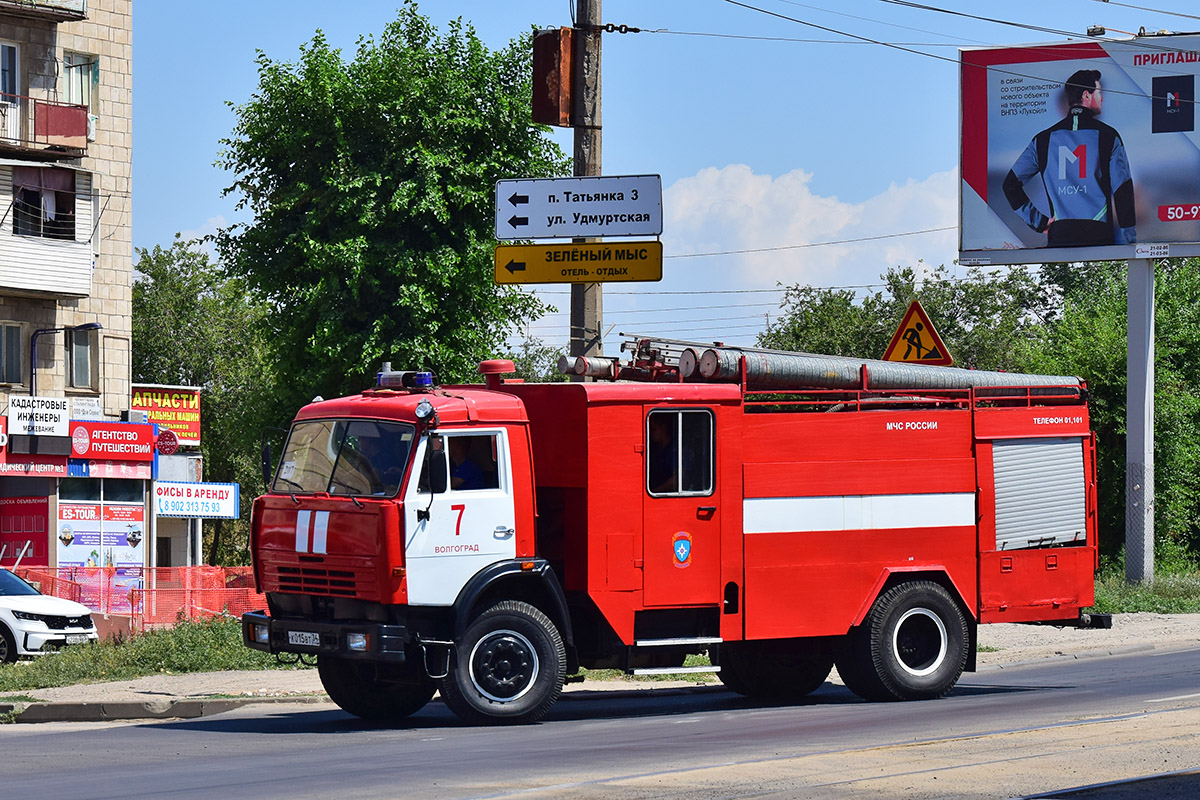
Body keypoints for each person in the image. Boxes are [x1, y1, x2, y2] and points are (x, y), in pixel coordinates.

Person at [1003, 69, 1136, 248]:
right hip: (1099, 235)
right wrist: (1130, 242)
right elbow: (1123, 190)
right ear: (1086, 96)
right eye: (1099, 93)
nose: (1102, 98)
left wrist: (1039, 222)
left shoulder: (1042, 139)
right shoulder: (1109, 136)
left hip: (1060, 234)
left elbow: (1010, 185)